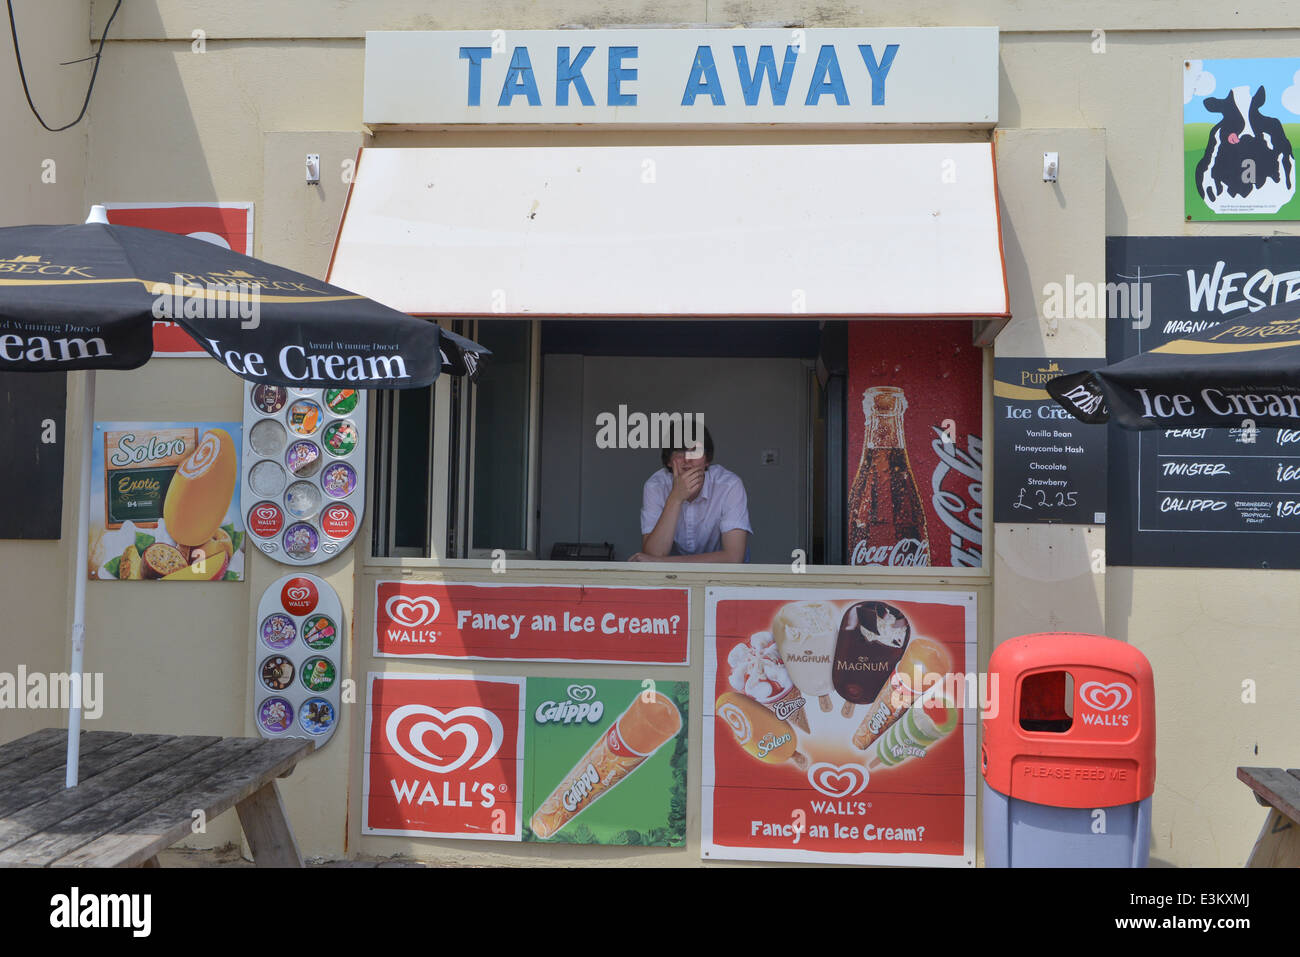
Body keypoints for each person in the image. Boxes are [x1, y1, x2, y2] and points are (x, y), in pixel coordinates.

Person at [629, 427, 752, 563]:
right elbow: (653, 553)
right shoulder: (655, 486)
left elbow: (733, 557)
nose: (687, 459)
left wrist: (664, 563)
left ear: (707, 460)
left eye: (695, 451)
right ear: (669, 461)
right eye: (679, 451)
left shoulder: (729, 485)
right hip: (672, 576)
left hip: (720, 574)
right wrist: (675, 498)